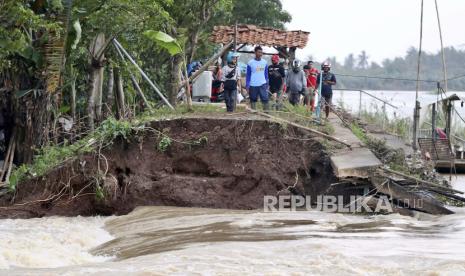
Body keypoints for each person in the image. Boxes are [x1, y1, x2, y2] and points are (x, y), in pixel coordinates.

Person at [246, 46, 269, 111]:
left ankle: (266, 113)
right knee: (253, 99)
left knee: (265, 98)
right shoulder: (250, 63)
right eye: (259, 52)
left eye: (261, 52)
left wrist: (267, 84)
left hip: (262, 84)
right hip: (253, 85)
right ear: (255, 52)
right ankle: (254, 113)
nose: (260, 54)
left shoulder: (265, 62)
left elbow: (266, 74)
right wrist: (247, 85)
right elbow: (248, 75)